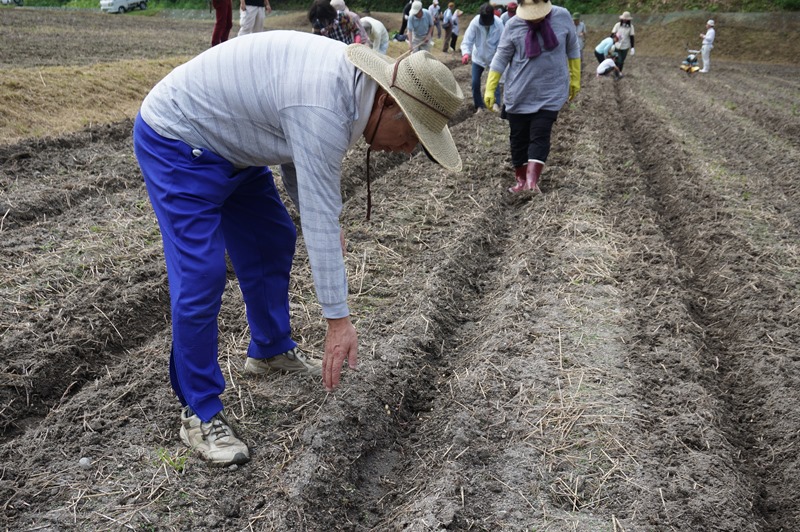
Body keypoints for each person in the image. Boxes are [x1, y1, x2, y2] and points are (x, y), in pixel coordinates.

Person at [132, 31, 464, 467]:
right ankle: (199, 411)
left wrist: (321, 222)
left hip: (235, 141)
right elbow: (318, 194)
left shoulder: (348, 96)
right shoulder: (327, 107)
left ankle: (269, 350)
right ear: (387, 104)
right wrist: (338, 321)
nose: (406, 148)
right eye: (412, 134)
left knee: (272, 238)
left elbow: (296, 156)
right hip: (179, 138)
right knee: (202, 275)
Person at [484, 0, 580, 194]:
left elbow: (572, 48)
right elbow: (502, 56)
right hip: (519, 93)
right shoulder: (513, 24)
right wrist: (490, 86)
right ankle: (520, 180)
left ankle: (531, 181)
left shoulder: (562, 17)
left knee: (540, 134)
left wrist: (575, 77)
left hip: (551, 91)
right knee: (518, 138)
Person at [461, 3, 504, 112]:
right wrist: (466, 53)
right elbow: (467, 40)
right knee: (475, 82)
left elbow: (503, 43)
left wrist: (499, 57)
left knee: (495, 81)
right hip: (478, 57)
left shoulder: (499, 24)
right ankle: (479, 106)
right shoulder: (475, 22)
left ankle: (496, 104)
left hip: (493, 57)